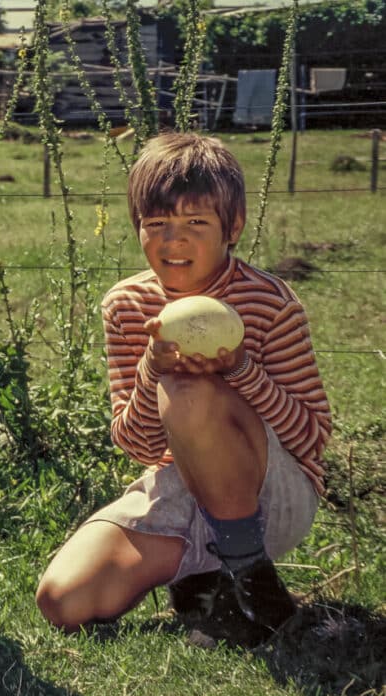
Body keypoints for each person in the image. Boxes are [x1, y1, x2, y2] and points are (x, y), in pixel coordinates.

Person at [36, 133, 331, 647]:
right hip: (182, 485)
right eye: (157, 225)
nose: (174, 241)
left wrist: (240, 372)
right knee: (63, 600)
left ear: (232, 227)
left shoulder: (270, 302)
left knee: (191, 388)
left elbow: (311, 438)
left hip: (274, 496)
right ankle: (203, 581)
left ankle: (255, 580)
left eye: (196, 223)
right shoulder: (127, 306)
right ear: (138, 229)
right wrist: (152, 369)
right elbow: (142, 447)